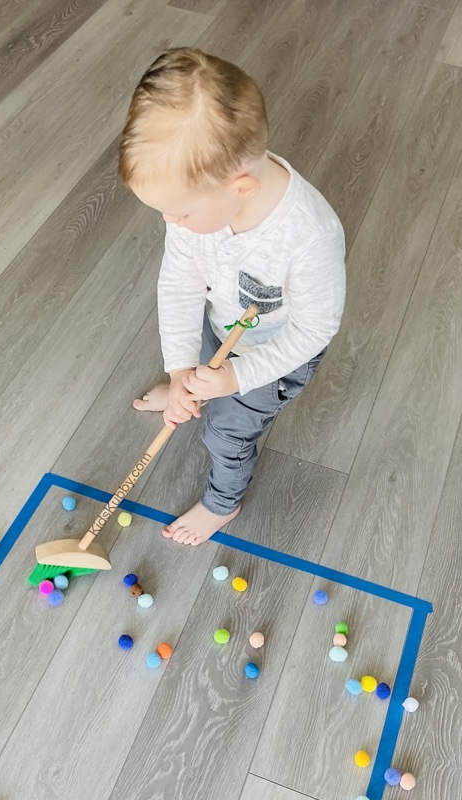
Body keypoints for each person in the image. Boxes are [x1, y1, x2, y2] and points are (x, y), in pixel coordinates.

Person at [118, 48, 346, 546]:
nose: (169, 222)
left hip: (274, 356)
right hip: (221, 323)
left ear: (240, 188)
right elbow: (179, 282)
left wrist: (236, 378)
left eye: (179, 213)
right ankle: (190, 388)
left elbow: (314, 328)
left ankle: (223, 502)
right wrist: (181, 371)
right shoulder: (197, 207)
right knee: (197, 366)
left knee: (227, 432)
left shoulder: (309, 235)